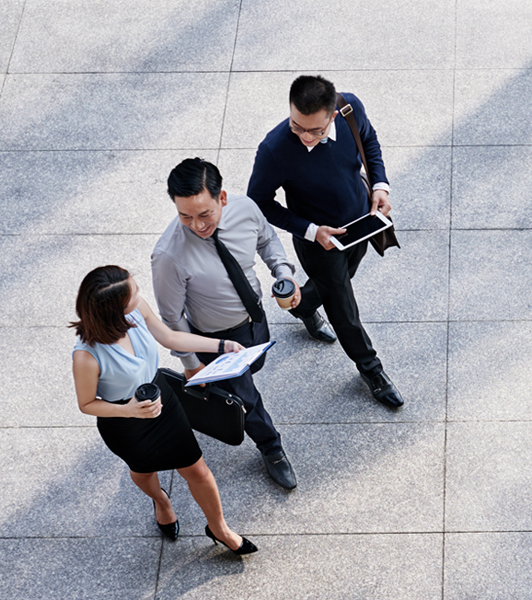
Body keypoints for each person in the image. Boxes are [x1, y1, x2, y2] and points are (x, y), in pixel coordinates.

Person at [70, 265, 257, 554]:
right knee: (143, 473)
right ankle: (161, 501)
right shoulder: (86, 356)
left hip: (162, 401)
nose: (139, 294)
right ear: (113, 309)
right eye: (133, 293)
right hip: (125, 422)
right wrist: (130, 411)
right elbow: (86, 404)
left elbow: (170, 338)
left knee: (198, 469)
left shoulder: (134, 310)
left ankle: (219, 528)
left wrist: (222, 345)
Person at [247, 74, 404, 408]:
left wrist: (380, 186)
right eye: (296, 126)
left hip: (361, 222)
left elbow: (370, 141)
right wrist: (310, 230)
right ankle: (371, 369)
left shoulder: (350, 109)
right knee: (343, 308)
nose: (305, 137)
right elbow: (258, 201)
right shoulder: (275, 149)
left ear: (332, 115)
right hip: (317, 241)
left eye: (315, 130)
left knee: (344, 278)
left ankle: (302, 305)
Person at [151, 157, 299, 490]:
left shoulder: (245, 209)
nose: (196, 225)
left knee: (255, 365)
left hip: (255, 317)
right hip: (216, 337)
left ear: (223, 198)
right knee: (246, 395)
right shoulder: (168, 256)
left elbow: (266, 240)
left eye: (204, 214)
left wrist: (283, 272)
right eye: (184, 216)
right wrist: (191, 364)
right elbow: (172, 318)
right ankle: (270, 446)